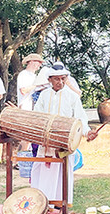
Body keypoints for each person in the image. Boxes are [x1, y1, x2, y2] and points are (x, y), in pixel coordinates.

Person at [30, 62, 97, 205]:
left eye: (63, 78)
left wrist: (87, 132)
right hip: (45, 143)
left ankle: (60, 204)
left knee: (62, 173)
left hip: (64, 143)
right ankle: (41, 204)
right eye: (56, 79)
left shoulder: (73, 97)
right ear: (49, 80)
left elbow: (81, 120)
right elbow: (37, 117)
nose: (60, 82)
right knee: (41, 171)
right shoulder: (43, 95)